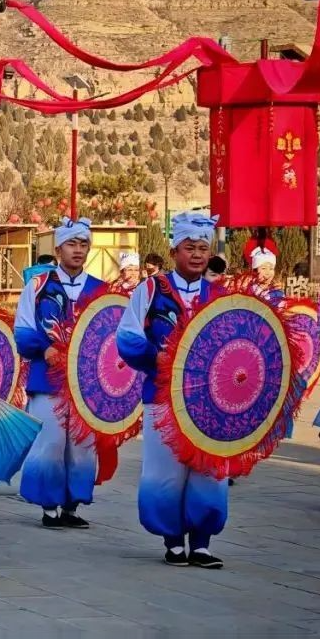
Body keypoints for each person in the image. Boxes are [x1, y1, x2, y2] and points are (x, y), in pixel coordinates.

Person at [117, 212, 227, 568]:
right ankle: (172, 539)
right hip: (162, 396)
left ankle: (202, 542)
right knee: (165, 471)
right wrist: (157, 356)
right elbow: (128, 338)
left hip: (210, 402)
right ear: (173, 250)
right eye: (189, 247)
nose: (196, 254)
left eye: (202, 248)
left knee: (209, 470)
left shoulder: (219, 295)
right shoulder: (150, 290)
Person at [14, 217, 104, 529]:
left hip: (86, 385)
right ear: (58, 248)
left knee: (81, 447)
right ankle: (49, 506)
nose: (78, 250)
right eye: (72, 244)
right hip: (47, 378)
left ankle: (72, 506)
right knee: (50, 442)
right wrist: (45, 348)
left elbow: (110, 335)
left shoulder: (102, 291)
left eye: (83, 244)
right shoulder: (38, 287)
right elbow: (23, 329)